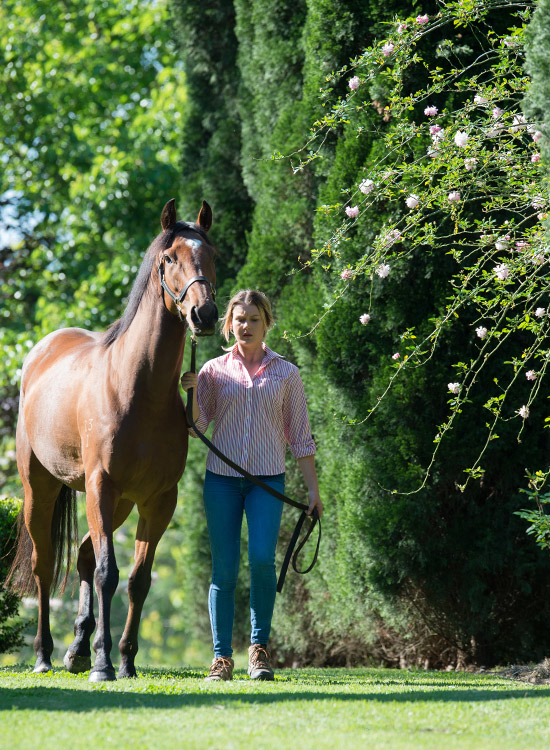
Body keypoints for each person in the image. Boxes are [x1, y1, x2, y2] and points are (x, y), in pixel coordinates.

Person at [180, 289, 323, 682]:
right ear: (229, 324)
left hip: (266, 483)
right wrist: (190, 393)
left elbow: (301, 438)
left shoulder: (286, 374)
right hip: (221, 484)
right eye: (239, 319)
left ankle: (259, 650)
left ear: (267, 323)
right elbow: (197, 429)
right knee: (224, 569)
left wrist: (313, 491)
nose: (246, 326)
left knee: (262, 560)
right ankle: (221, 658)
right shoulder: (211, 371)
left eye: (254, 319)